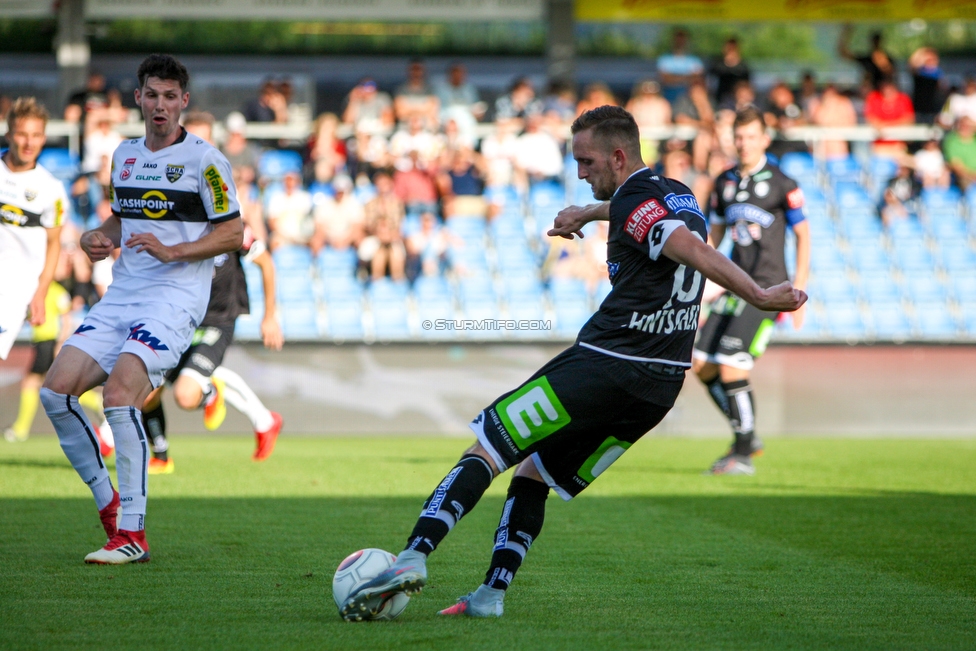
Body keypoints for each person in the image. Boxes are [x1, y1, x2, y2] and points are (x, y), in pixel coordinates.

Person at [338, 105, 806, 621]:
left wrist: (759, 294)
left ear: (619, 156)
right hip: (659, 387)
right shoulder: (679, 192)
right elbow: (653, 216)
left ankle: (412, 557)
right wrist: (587, 213)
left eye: (587, 162)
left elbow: (683, 243)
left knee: (491, 447)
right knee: (534, 475)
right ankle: (490, 597)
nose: (580, 173)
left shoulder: (637, 202)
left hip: (606, 364)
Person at [39, 54, 243, 565]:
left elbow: (234, 232)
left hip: (175, 299)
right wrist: (98, 238)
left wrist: (175, 251)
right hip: (124, 293)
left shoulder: (206, 161)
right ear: (138, 98)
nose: (160, 105)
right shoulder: (124, 156)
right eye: (152, 94)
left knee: (119, 394)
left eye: (170, 96)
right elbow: (120, 219)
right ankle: (109, 506)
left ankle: (131, 533)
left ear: (184, 103)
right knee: (56, 391)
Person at [139, 115, 285, 475]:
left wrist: (270, 316)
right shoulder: (173, 209)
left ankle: (210, 391)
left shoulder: (228, 214)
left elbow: (266, 263)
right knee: (144, 392)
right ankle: (161, 456)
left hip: (219, 317)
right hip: (181, 315)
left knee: (187, 394)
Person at [692, 106, 810, 476]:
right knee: (700, 366)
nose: (743, 143)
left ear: (765, 138)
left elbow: (804, 234)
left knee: (730, 367)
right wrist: (700, 281)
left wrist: (800, 291)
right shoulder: (724, 181)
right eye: (738, 137)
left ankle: (743, 452)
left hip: (768, 288)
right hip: (734, 285)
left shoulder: (782, 182)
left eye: (750, 136)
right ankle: (748, 434)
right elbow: (716, 237)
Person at [4, 281, 111, 452]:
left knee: (32, 383)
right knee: (58, 386)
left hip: (49, 342)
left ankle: (21, 428)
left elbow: (66, 316)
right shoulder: (36, 289)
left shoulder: (54, 290)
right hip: (41, 342)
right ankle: (96, 402)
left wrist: (61, 341)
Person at [0, 97, 66, 364]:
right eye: (22, 134)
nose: (29, 143)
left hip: (14, 291)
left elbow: (54, 244)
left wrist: (41, 293)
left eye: (36, 135)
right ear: (8, 134)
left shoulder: (51, 189)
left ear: (43, 138)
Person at [838, 25, 895, 91]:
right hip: (868, 93)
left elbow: (891, 73)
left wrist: (881, 60)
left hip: (883, 95)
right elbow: (844, 54)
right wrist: (847, 32)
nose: (875, 44)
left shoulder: (888, 59)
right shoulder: (867, 59)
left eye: (877, 41)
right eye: (874, 42)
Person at [657, 29, 704, 104]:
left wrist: (674, 77)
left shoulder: (695, 60)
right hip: (669, 96)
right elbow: (665, 79)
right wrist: (687, 77)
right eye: (677, 39)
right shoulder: (665, 59)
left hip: (689, 97)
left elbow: (697, 79)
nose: (680, 42)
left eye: (682, 39)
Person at [944, 115, 976, 191]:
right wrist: (972, 176)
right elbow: (956, 166)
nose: (966, 128)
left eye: (969, 125)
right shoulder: (952, 141)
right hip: (965, 177)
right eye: (964, 125)